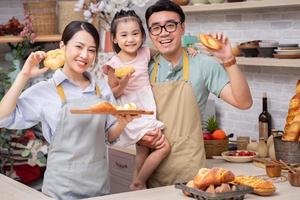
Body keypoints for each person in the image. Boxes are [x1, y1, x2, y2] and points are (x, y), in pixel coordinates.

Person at [0, 21, 137, 199]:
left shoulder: (102, 89)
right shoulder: (45, 90)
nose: (84, 55)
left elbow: (108, 135)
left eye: (91, 50)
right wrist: (24, 75)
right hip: (60, 190)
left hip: (98, 188)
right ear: (62, 46)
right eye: (79, 47)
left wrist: (122, 123)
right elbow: (3, 117)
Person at [137, 0, 253, 187]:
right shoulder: (145, 67)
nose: (164, 32)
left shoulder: (203, 64)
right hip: (152, 173)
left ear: (182, 28)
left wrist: (228, 59)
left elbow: (244, 102)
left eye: (170, 25)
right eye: (156, 28)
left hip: (192, 174)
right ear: (150, 34)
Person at [102, 10, 171, 190]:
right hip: (130, 111)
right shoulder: (114, 64)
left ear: (142, 35)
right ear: (115, 39)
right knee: (163, 147)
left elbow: (167, 50)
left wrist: (189, 50)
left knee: (143, 151)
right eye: (124, 35)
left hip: (147, 106)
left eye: (135, 33)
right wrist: (123, 83)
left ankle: (136, 185)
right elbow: (113, 94)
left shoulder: (145, 52)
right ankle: (140, 181)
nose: (130, 39)